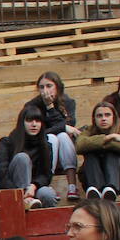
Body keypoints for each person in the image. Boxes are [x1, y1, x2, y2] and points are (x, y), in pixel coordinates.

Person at [22, 71, 81, 201]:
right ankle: (47, 185)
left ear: (57, 87)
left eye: (49, 86)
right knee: (53, 138)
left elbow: (70, 124)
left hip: (64, 151)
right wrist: (63, 127)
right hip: (41, 151)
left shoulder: (68, 102)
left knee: (63, 136)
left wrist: (50, 107)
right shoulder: (32, 106)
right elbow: (37, 132)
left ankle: (72, 186)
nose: (45, 90)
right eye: (42, 87)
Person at [0, 104, 58, 210]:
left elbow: (46, 175)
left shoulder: (46, 145)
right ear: (22, 123)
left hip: (33, 190)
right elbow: (1, 174)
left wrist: (33, 186)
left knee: (48, 194)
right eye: (29, 121)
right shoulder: (6, 142)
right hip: (10, 190)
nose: (34, 124)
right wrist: (20, 193)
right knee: (22, 158)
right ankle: (23, 200)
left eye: (38, 121)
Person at [76, 101, 120, 201]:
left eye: (107, 115)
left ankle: (111, 189)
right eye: (99, 116)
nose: (103, 118)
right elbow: (79, 146)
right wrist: (110, 137)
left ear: (114, 117)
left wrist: (96, 143)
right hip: (91, 185)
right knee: (90, 152)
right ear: (94, 119)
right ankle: (96, 190)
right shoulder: (88, 130)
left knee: (112, 152)